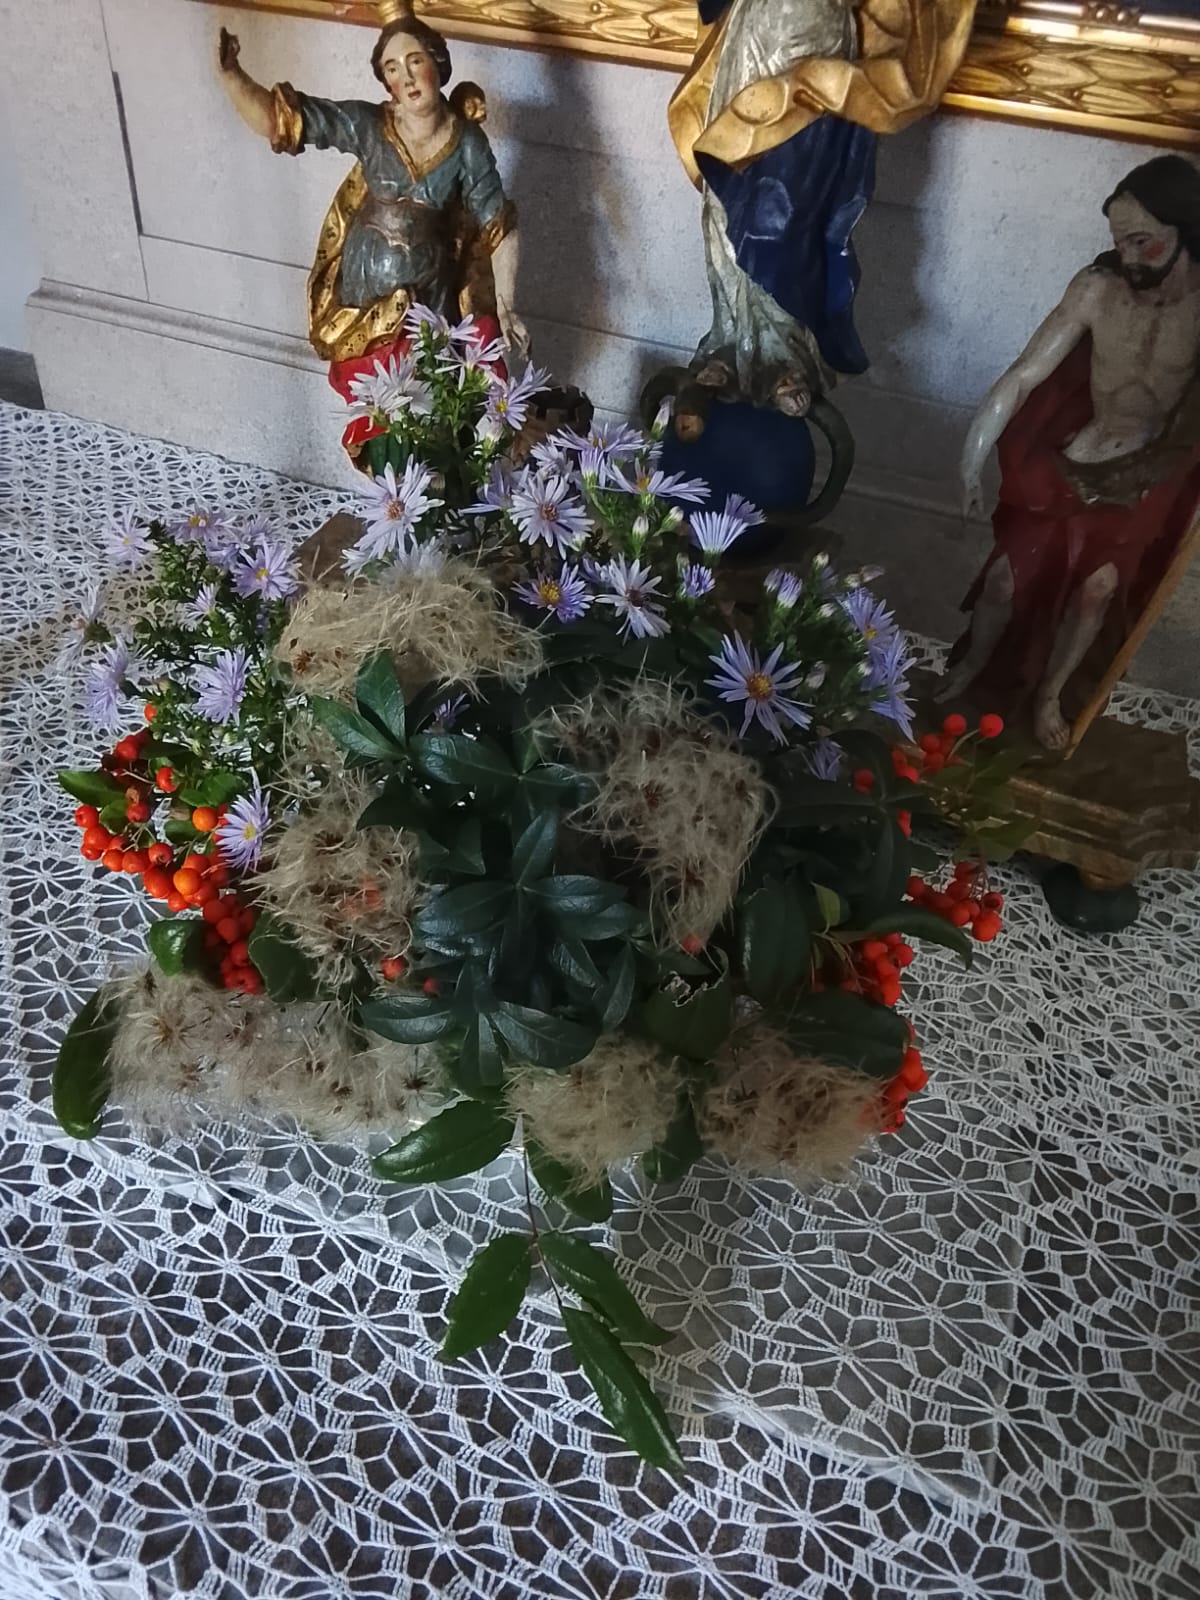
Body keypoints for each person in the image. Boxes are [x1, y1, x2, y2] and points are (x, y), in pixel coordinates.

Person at [947, 155, 1200, 751]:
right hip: (1076, 457)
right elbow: (1023, 377)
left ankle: (1051, 694)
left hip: (1144, 474)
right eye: (1120, 242)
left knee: (1097, 592)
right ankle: (973, 665)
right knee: (1004, 581)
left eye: (1142, 242)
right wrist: (971, 458)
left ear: (1185, 229)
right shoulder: (1097, 290)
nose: (1128, 257)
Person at [667, 0, 975, 415]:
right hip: (747, 30)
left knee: (780, 218)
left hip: (807, 50)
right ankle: (730, 342)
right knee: (721, 205)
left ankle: (785, 358)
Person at [215, 3, 526, 385]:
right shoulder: (371, 126)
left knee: (431, 398)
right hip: (366, 303)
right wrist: (232, 76)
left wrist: (507, 305)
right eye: (392, 68)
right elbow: (285, 121)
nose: (407, 78)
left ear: (438, 63)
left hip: (429, 301)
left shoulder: (466, 143)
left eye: (415, 61)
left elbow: (499, 227)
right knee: (373, 406)